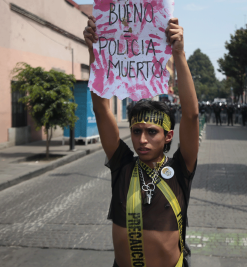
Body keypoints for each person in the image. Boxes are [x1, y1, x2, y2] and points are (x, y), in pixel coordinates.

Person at [84, 16, 199, 267]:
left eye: (151, 132)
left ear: (169, 136)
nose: (142, 140)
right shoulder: (122, 165)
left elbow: (191, 115)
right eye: (136, 131)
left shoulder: (180, 169)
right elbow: (102, 109)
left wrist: (178, 53)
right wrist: (96, 52)